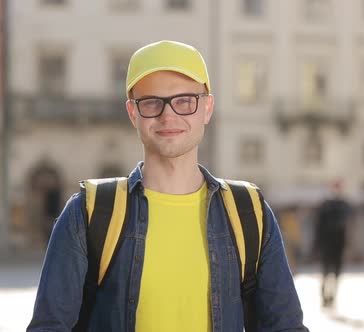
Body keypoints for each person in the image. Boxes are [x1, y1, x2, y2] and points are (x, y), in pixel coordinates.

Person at [27, 40, 308, 331]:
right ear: (133, 113)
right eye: (151, 102)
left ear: (207, 108)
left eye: (185, 101)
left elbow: (285, 326)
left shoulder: (249, 211)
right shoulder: (87, 212)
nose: (168, 115)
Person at [313, 181, 352, 308]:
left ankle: (332, 297)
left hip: (337, 246)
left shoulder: (343, 205)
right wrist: (318, 245)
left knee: (335, 274)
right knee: (325, 273)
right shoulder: (326, 206)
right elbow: (318, 227)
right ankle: (324, 297)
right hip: (327, 245)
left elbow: (348, 224)